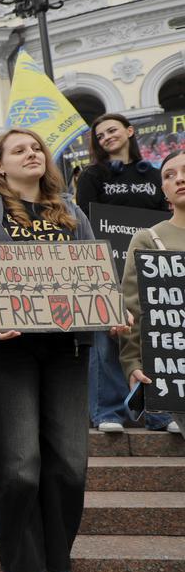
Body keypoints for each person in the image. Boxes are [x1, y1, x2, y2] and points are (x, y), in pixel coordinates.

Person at [0, 129, 126, 572]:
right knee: (19, 467)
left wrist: (109, 308)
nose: (32, 153)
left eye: (36, 148)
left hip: (67, 349)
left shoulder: (71, 212)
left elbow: (97, 275)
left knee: (70, 464)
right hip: (5, 352)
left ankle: (59, 571)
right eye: (19, 149)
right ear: (0, 166)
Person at [75, 113, 172, 434]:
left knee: (153, 331)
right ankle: (108, 410)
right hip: (106, 265)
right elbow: (85, 221)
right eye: (100, 136)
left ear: (130, 132)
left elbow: (165, 216)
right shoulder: (93, 175)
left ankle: (159, 411)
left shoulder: (156, 175)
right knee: (106, 336)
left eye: (112, 131)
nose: (107, 138)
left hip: (151, 264)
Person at [121, 150, 185, 438]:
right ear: (164, 192)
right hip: (178, 367)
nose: (179, 179)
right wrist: (132, 362)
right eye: (169, 176)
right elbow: (132, 307)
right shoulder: (148, 239)